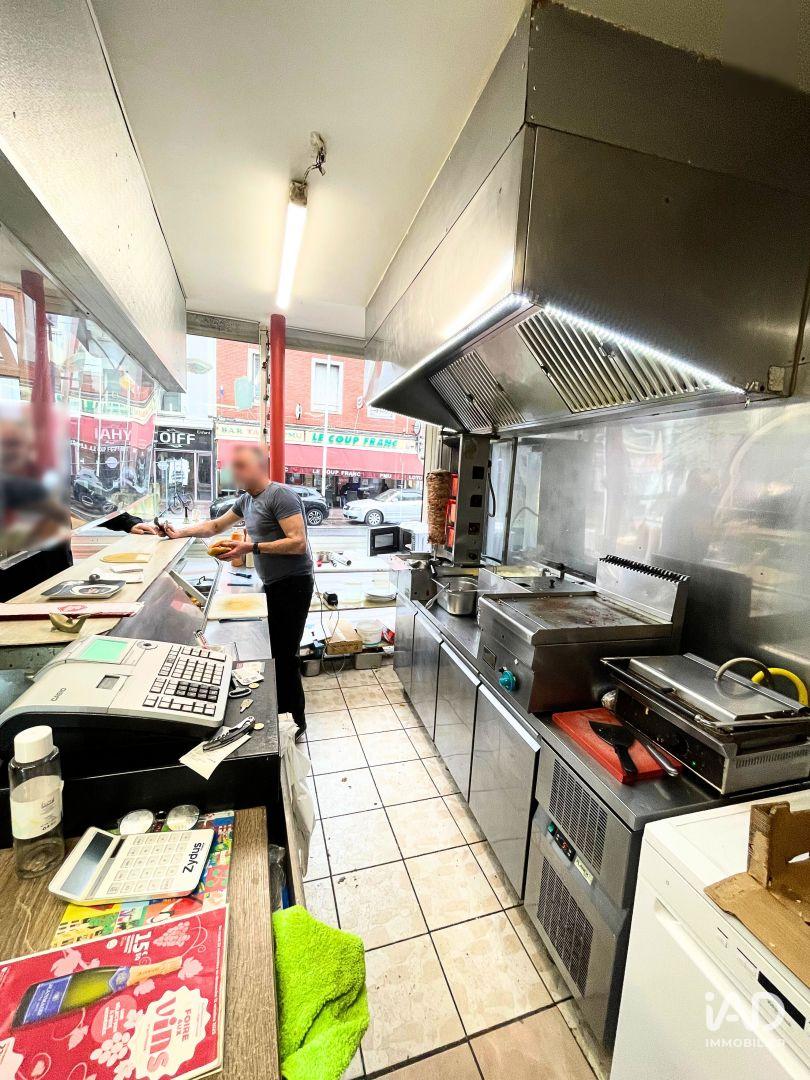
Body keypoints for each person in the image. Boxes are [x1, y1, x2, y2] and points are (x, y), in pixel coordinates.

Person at [163, 444, 313, 739]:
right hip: (273, 583)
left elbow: (298, 543)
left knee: (285, 655)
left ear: (260, 466)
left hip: (293, 584)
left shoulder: (280, 496)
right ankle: (280, 712)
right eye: (235, 466)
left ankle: (295, 721)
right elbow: (215, 526)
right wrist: (180, 532)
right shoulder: (247, 500)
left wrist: (250, 547)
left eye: (242, 465)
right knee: (277, 652)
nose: (236, 472)